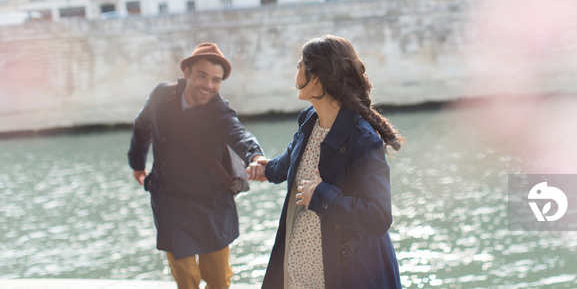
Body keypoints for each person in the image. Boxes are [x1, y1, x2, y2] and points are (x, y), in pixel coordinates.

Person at [247, 35, 405, 289]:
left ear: (317, 78)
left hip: (343, 273)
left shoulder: (362, 139)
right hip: (299, 271)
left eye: (300, 66)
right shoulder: (309, 119)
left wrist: (321, 195)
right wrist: (266, 169)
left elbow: (378, 216)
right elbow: (292, 160)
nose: (296, 73)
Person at [128, 42, 266, 289]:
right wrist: (137, 164)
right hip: (171, 199)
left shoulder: (219, 109)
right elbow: (141, 126)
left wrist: (255, 156)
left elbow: (239, 134)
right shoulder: (162, 95)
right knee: (186, 278)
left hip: (211, 200)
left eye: (216, 80)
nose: (208, 85)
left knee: (219, 279)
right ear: (187, 73)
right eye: (202, 76)